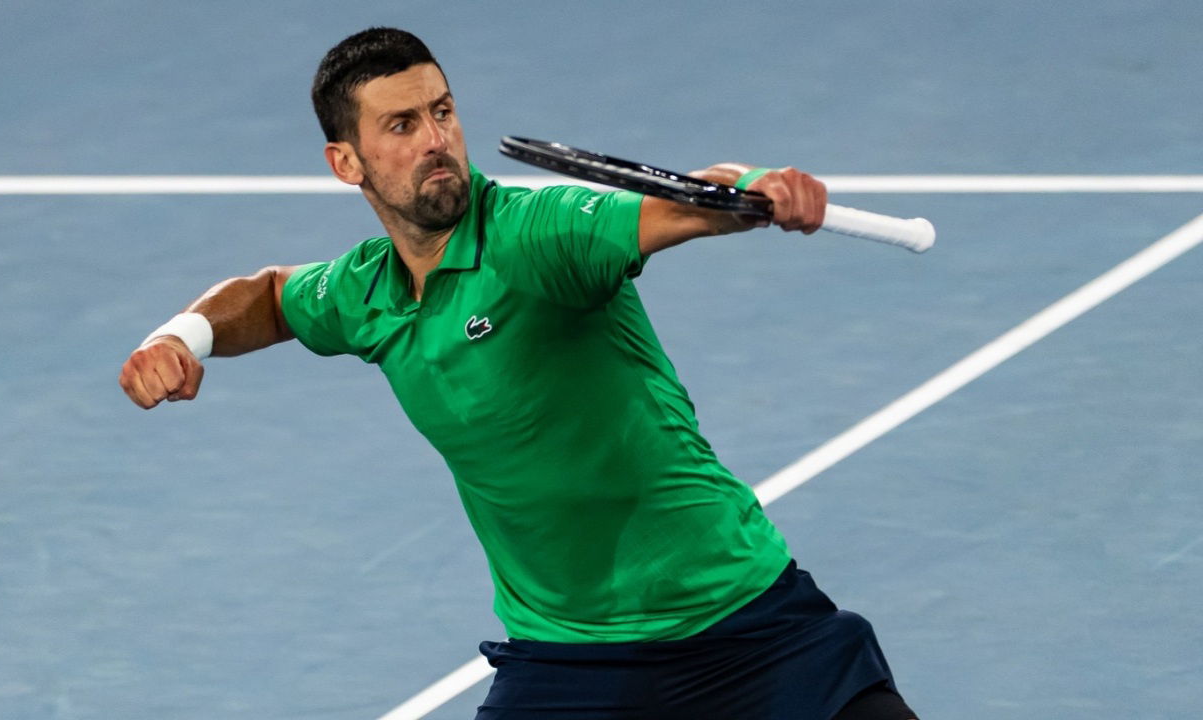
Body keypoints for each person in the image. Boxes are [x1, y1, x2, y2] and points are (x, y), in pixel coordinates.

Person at [118, 27, 917, 720]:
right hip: (568, 661)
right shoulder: (363, 294)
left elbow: (685, 203)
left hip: (744, 625)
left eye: (442, 110)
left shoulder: (535, 235)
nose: (436, 138)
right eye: (401, 124)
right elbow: (269, 296)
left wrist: (754, 189)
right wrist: (181, 336)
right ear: (345, 161)